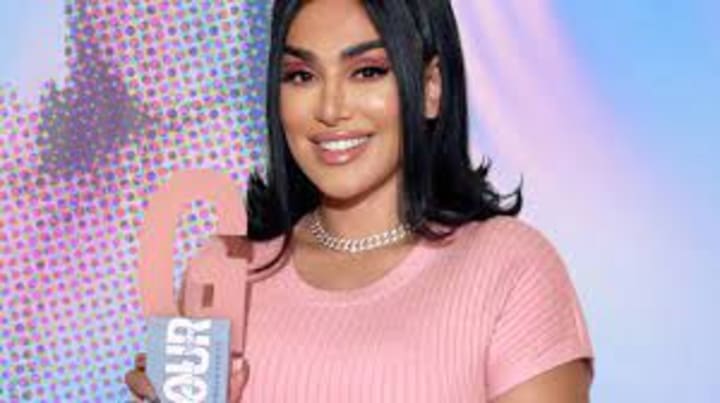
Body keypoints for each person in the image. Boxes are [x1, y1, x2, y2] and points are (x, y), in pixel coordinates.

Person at [127, 0, 594, 401]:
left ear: (431, 87)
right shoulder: (224, 271)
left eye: (367, 72)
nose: (330, 109)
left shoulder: (510, 269)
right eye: (301, 75)